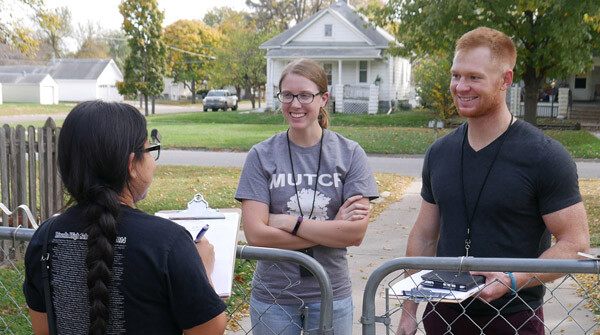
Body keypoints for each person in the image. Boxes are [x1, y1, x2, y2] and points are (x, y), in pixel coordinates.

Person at [397, 27, 589, 335]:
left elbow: (575, 244)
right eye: (456, 75)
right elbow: (424, 236)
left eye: (474, 77)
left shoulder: (545, 156)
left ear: (506, 80)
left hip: (513, 319)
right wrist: (410, 310)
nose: (460, 86)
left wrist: (513, 279)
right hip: (441, 316)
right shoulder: (439, 152)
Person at [23, 101, 227, 335]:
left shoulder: (45, 237)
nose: (153, 164)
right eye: (151, 151)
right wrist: (203, 269)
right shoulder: (168, 242)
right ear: (132, 164)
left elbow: (43, 329)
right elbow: (210, 329)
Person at [235, 58, 379, 334]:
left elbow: (354, 235)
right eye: (287, 95)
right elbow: (256, 236)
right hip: (273, 298)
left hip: (330, 295)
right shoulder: (261, 155)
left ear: (324, 98)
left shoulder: (349, 154)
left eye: (305, 95)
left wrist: (289, 222)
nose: (295, 104)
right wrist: (330, 228)